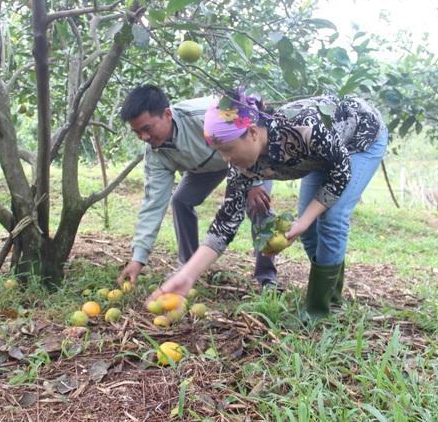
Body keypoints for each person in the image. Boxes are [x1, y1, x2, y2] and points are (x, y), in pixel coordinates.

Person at [146, 86, 388, 323]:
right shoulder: (241, 165)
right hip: (323, 154)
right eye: (219, 151)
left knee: (330, 217)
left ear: (252, 132)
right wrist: (187, 276)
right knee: (309, 233)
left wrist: (303, 221)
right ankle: (329, 286)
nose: (226, 159)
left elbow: (340, 174)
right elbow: (225, 224)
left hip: (361, 139)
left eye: (228, 149)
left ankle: (323, 308)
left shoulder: (305, 128)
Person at [116, 85, 279, 291]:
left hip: (244, 158)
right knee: (181, 200)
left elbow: (248, 118)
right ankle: (188, 268)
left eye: (147, 128)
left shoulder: (204, 115)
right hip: (205, 167)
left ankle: (267, 278)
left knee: (257, 205)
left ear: (167, 114)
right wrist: (138, 258)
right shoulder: (156, 154)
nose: (144, 137)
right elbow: (152, 204)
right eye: (137, 132)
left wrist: (256, 178)